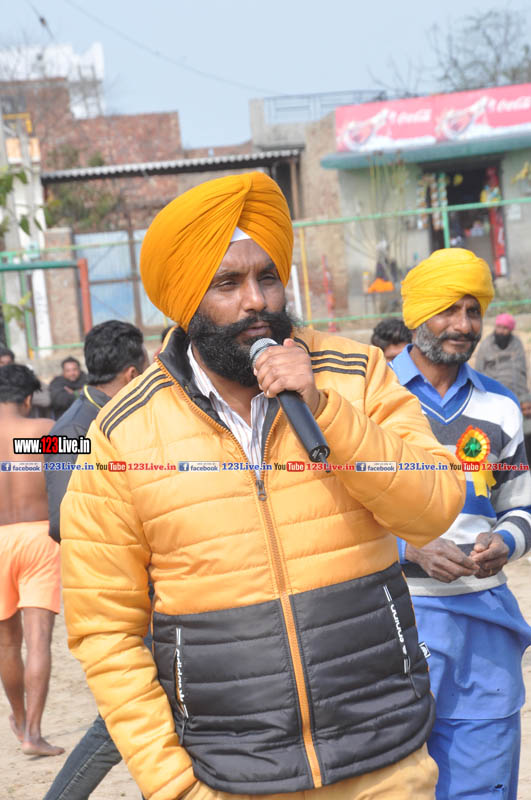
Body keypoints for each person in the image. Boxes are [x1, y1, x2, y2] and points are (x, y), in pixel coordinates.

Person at [60, 172, 466, 800]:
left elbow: (434, 507)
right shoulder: (122, 433)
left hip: (384, 758)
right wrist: (174, 787)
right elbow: (105, 630)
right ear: (186, 300)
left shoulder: (354, 374)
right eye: (228, 283)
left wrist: (326, 410)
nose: (256, 301)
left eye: (267, 277)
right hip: (230, 776)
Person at [391, 248, 531, 800]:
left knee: (483, 780)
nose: (464, 325)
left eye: (473, 311)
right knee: (393, 779)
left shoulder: (501, 406)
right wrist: (412, 548)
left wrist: (505, 542)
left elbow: (521, 505)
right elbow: (332, 509)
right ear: (418, 313)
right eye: (449, 309)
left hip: (482, 625)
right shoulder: (373, 398)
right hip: (392, 619)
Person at [43, 319, 147, 800]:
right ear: (131, 374)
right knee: (121, 717)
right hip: (113, 592)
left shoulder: (124, 416)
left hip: (147, 583)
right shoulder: (70, 429)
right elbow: (62, 523)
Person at [0, 364, 64, 757]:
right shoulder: (42, 431)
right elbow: (81, 465)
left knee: (7, 643)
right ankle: (33, 736)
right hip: (39, 537)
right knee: (38, 639)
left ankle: (21, 720)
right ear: (27, 399)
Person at [475, 312, 528, 402]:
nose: (501, 331)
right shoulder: (486, 344)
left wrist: (523, 397)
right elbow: (479, 370)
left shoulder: (516, 344)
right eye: (499, 327)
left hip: (515, 393)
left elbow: (521, 371)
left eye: (505, 328)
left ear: (510, 330)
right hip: (493, 395)